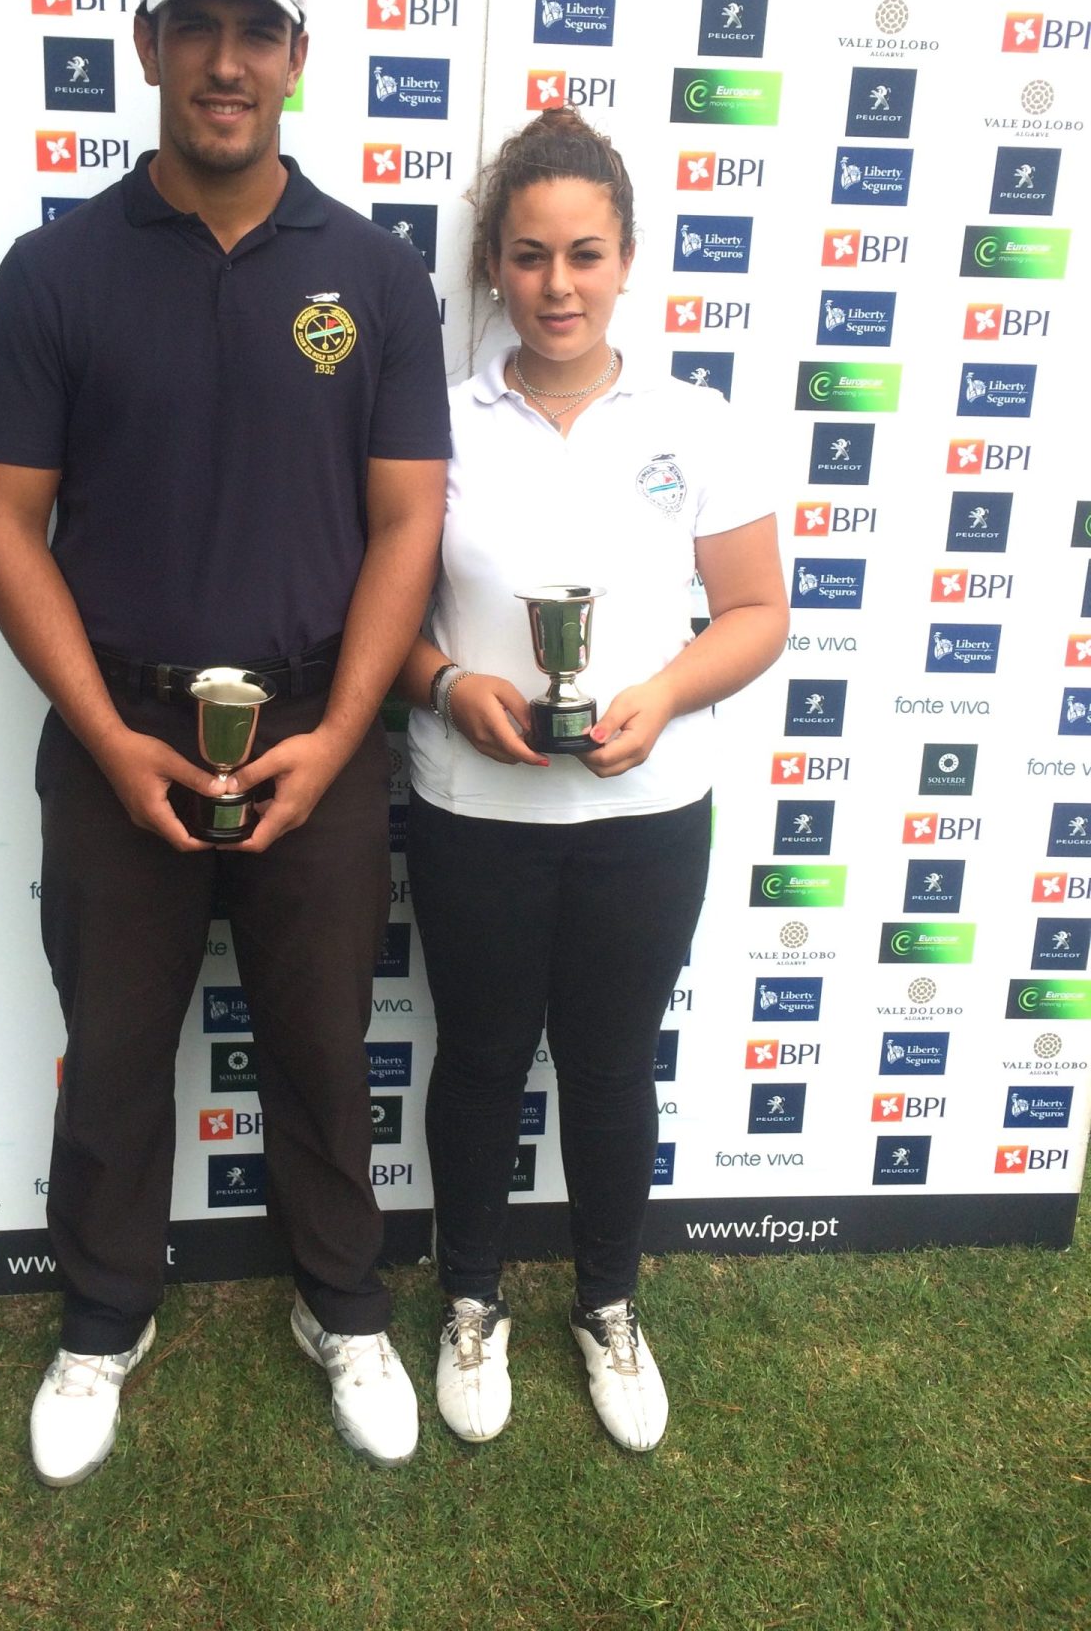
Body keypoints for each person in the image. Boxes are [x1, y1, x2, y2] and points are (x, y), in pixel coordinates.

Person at [0, 0, 450, 1483]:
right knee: (111, 1051)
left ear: (299, 58)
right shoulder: (57, 270)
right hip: (120, 729)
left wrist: (346, 732)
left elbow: (406, 524)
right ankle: (105, 1320)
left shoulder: (373, 274)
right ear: (149, 49)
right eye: (196, 29)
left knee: (319, 1042)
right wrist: (106, 738)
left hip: (321, 730)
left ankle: (344, 1308)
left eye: (256, 32)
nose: (225, 63)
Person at [397, 108, 788, 1450]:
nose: (556, 284)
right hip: (474, 814)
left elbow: (754, 611)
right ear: (493, 269)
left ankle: (610, 1306)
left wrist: (666, 696)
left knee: (615, 1065)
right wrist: (453, 686)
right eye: (527, 256)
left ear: (626, 260)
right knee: (485, 1061)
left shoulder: (695, 421)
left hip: (646, 815)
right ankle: (469, 1303)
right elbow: (383, 625)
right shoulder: (437, 425)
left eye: (584, 253)